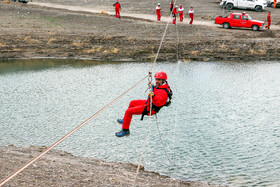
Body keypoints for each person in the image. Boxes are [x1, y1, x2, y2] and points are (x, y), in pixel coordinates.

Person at [116, 71, 171, 137]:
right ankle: (125, 120)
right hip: (149, 103)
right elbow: (157, 90)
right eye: (156, 79)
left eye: (158, 80)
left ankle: (125, 130)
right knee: (132, 103)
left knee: (128, 112)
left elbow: (158, 103)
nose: (156, 81)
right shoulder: (161, 86)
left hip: (150, 108)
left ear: (163, 80)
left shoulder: (163, 92)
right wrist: (153, 87)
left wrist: (153, 96)